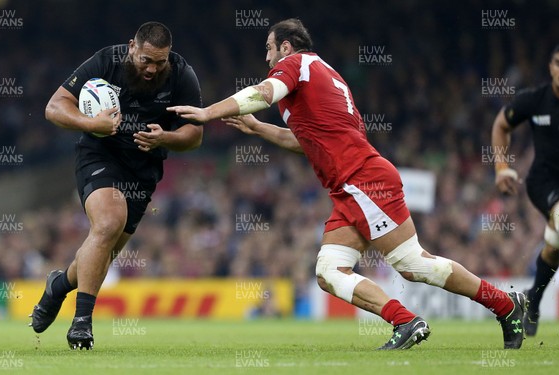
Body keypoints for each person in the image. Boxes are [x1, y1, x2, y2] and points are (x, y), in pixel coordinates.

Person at [168, 18, 527, 349]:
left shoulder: (296, 66)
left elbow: (261, 93)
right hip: (350, 187)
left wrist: (208, 112)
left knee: (414, 265)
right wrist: (259, 128)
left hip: (363, 181)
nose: (267, 57)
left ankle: (504, 305)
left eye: (269, 48)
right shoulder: (326, 76)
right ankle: (406, 321)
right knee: (328, 271)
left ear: (287, 48)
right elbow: (304, 142)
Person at [30, 21, 203, 350]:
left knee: (104, 247)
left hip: (144, 168)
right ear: (132, 47)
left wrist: (166, 137)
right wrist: (90, 123)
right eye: (146, 60)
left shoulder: (182, 75)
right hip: (100, 155)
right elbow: (54, 107)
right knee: (109, 222)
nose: (152, 68)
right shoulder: (106, 61)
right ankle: (82, 323)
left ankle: (58, 285)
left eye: (159, 62)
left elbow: (195, 135)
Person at [491, 45, 559, 337]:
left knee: (555, 248)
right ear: (550, 66)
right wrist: (501, 167)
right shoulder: (535, 100)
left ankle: (533, 300)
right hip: (543, 184)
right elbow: (501, 125)